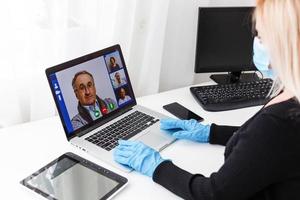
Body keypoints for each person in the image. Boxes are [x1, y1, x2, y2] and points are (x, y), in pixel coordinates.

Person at [113, 1, 300, 199]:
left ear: (286, 44)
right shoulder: (290, 94)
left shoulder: (280, 122)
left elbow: (212, 194)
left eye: (261, 36)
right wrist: (211, 132)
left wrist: (154, 165)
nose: (254, 41)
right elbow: (268, 147)